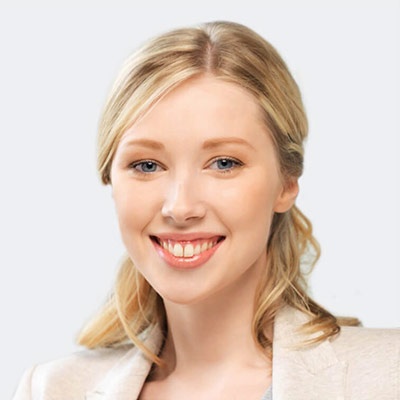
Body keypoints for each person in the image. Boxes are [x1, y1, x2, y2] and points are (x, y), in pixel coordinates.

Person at [12, 20, 399, 400]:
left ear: (287, 183)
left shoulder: (389, 377)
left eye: (224, 163)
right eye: (147, 165)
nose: (180, 208)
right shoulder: (50, 390)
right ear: (111, 181)